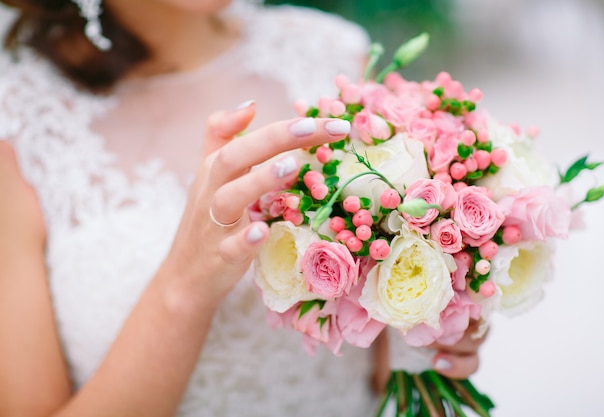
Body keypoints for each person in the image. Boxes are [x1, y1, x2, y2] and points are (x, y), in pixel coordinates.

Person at [0, 0, 486, 415]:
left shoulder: (334, 54)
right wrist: (186, 285)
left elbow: (382, 374)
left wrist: (430, 331)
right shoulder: (17, 126)